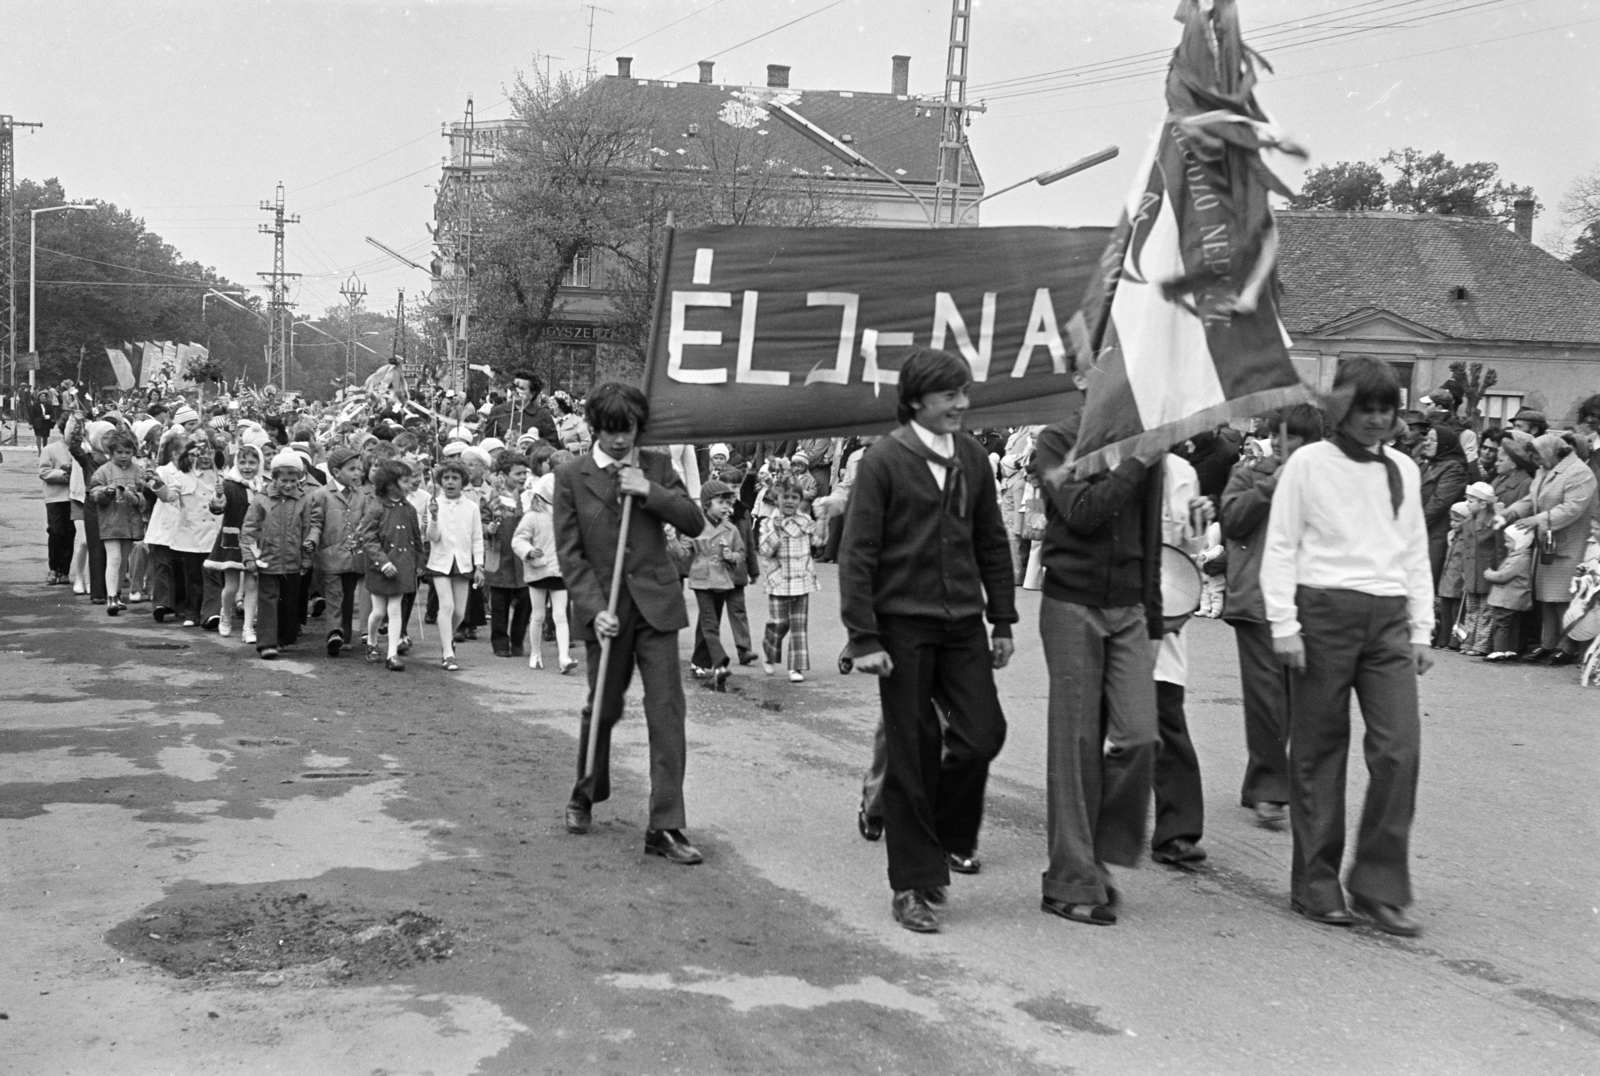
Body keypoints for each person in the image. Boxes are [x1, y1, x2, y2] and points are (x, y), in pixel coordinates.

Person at [839, 347, 1015, 934]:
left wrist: (1004, 619)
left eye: (965, 393)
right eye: (949, 396)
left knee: (982, 733)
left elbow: (991, 539)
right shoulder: (885, 460)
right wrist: (864, 637)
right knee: (911, 752)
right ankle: (914, 884)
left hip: (963, 623)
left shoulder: (972, 457)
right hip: (902, 629)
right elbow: (858, 552)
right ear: (917, 400)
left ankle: (945, 838)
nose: (962, 405)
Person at [1260, 357, 1432, 937]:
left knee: (1398, 750)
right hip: (1321, 615)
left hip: (1387, 620)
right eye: (1365, 409)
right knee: (1317, 752)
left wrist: (1422, 629)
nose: (1377, 420)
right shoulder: (1308, 464)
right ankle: (1315, 883)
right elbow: (1281, 546)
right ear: (1340, 409)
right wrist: (1283, 624)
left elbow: (1414, 552)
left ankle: (1379, 885)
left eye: (1386, 410)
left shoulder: (1404, 470)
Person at [554, 381, 707, 865]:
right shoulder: (570, 476)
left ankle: (665, 825)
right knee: (603, 708)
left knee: (667, 713)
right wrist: (593, 607)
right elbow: (571, 554)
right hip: (606, 614)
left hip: (657, 608)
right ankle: (585, 791)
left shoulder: (657, 465)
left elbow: (693, 521)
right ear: (595, 428)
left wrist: (649, 490)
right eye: (612, 431)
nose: (621, 441)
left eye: (630, 431)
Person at [1221, 406, 1322, 828]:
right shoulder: (1249, 473)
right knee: (1267, 699)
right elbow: (1232, 520)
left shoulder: (1322, 477)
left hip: (1308, 601)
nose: (1283, 444)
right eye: (1278, 435)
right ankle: (1269, 789)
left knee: (1295, 701)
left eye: (1294, 438)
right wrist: (1270, 487)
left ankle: (1260, 782)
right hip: (1257, 600)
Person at [1498, 432, 1598, 666]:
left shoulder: (1580, 473)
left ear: (1551, 452)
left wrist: (1538, 520)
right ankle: (1548, 644)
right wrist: (1512, 512)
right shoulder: (1546, 470)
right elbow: (1532, 499)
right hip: (1549, 543)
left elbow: (1573, 508)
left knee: (1564, 598)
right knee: (1546, 598)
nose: (1537, 463)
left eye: (1538, 457)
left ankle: (1568, 647)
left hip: (1570, 542)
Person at [242, 449, 323, 660]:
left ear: (299, 479)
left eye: (293, 480)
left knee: (289, 601)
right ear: (274, 478)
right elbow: (250, 529)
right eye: (283, 480)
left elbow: (309, 528)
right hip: (267, 558)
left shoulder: (304, 501)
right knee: (268, 600)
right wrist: (249, 556)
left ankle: (283, 636)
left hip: (293, 560)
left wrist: (307, 557)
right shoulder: (261, 500)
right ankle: (266, 643)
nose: (288, 485)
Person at [424, 458, 485, 672]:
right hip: (440, 561)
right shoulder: (434, 504)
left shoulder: (471, 507)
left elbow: (477, 538)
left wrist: (479, 566)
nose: (450, 482)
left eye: (455, 478)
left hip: (464, 563)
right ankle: (447, 653)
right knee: (446, 606)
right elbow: (432, 536)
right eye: (446, 478)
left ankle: (447, 638)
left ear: (463, 481)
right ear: (440, 481)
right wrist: (433, 517)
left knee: (459, 611)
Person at [758, 475, 821, 682]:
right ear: (777, 499)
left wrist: (823, 521)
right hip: (779, 581)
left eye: (795, 497)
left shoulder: (805, 521)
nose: (790, 501)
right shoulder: (768, 522)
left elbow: (820, 541)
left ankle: (796, 667)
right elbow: (765, 550)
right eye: (786, 497)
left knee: (798, 625)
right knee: (778, 623)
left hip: (802, 579)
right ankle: (769, 650)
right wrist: (775, 529)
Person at [361, 460, 422, 671]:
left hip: (402, 566)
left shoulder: (409, 508)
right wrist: (382, 563)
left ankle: (392, 654)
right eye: (405, 481)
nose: (410, 484)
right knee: (378, 611)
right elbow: (368, 538)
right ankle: (371, 641)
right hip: (380, 568)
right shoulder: (376, 506)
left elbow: (416, 538)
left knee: (395, 609)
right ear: (389, 485)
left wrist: (419, 563)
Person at [513, 471, 576, 672]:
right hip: (539, 569)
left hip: (560, 571)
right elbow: (518, 539)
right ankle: (535, 653)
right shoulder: (533, 516)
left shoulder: (567, 515)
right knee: (538, 615)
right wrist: (529, 552)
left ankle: (564, 657)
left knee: (560, 616)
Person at [685, 478, 745, 691]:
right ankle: (720, 663)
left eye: (728, 503)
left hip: (722, 580)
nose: (726, 507)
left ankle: (698, 662)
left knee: (709, 621)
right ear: (707, 503)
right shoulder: (695, 525)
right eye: (721, 502)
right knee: (710, 624)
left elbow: (741, 553)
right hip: (701, 580)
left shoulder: (731, 529)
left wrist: (732, 556)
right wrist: (673, 541)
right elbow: (684, 551)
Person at [312, 446, 370, 657]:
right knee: (334, 596)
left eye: (359, 469)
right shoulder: (322, 495)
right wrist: (313, 543)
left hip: (354, 555)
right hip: (330, 554)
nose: (358, 473)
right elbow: (316, 522)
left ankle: (344, 635)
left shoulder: (361, 496)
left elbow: (366, 519)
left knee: (347, 596)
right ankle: (334, 632)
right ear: (336, 472)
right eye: (352, 469)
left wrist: (362, 533)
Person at [88, 430, 149, 616]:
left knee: (124, 560)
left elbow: (145, 497)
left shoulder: (138, 471)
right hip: (111, 521)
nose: (124, 456)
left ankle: (117, 594)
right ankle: (111, 597)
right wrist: (106, 491)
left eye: (128, 452)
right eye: (119, 452)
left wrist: (136, 497)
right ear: (111, 453)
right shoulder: (103, 471)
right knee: (113, 558)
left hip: (131, 522)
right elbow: (94, 494)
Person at [206, 443, 262, 640]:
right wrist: (218, 498)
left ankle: (248, 627)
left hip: (254, 542)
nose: (247, 467)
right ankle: (226, 615)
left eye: (252, 462)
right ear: (237, 463)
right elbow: (217, 507)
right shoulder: (229, 485)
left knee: (252, 585)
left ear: (259, 464)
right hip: (232, 540)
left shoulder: (262, 487)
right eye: (243, 462)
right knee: (230, 586)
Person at [483, 451, 532, 658]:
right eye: (517, 474)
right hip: (500, 554)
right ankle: (500, 642)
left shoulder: (529, 496)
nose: (522, 477)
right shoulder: (493, 497)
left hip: (523, 558)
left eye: (524, 473)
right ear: (504, 475)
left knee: (525, 600)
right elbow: (483, 521)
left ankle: (518, 639)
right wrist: (488, 528)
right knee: (500, 604)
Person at [1417, 425, 1468, 585]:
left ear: (1444, 445)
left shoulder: (1454, 468)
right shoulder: (1428, 464)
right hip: (1421, 531)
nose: (1426, 443)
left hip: (1436, 533)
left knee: (1428, 582)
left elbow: (1439, 502)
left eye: (1432, 440)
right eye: (1427, 439)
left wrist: (1416, 524)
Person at [1483, 525, 1534, 662]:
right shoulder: (1523, 557)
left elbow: (1502, 576)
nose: (1506, 545)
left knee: (1501, 624)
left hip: (1506, 599)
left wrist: (1488, 574)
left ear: (1521, 542)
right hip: (1516, 599)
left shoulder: (1518, 559)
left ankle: (1499, 650)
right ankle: (1511, 650)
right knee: (1513, 625)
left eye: (1509, 541)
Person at [484, 368, 559, 447]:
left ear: (532, 393)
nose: (516, 391)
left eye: (522, 388)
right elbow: (487, 442)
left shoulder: (543, 414)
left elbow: (553, 445)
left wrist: (535, 442)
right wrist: (502, 440)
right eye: (514, 387)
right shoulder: (498, 411)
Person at [39, 425, 75, 585]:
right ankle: (54, 568)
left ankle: (64, 571)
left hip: (74, 498)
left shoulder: (84, 450)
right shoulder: (50, 449)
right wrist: (64, 474)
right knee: (55, 531)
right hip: (55, 498)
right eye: (72, 431)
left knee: (70, 534)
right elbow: (44, 472)